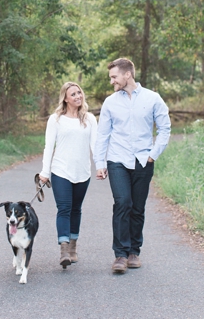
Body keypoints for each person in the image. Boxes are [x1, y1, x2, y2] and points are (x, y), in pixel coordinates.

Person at [94, 58, 171, 274]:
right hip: (117, 159)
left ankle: (134, 252)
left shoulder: (153, 98)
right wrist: (100, 163)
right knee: (122, 203)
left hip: (143, 160)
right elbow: (103, 134)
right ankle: (120, 254)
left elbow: (165, 128)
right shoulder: (110, 102)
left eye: (114, 76)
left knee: (137, 207)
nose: (112, 81)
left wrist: (153, 155)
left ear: (127, 74)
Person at [39, 81, 97, 268]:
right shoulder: (55, 119)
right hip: (60, 171)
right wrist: (44, 172)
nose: (78, 96)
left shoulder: (89, 119)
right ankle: (64, 249)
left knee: (76, 209)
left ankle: (73, 247)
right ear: (65, 98)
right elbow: (49, 146)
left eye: (79, 93)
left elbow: (95, 145)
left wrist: (101, 166)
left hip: (82, 171)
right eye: (73, 94)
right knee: (64, 208)